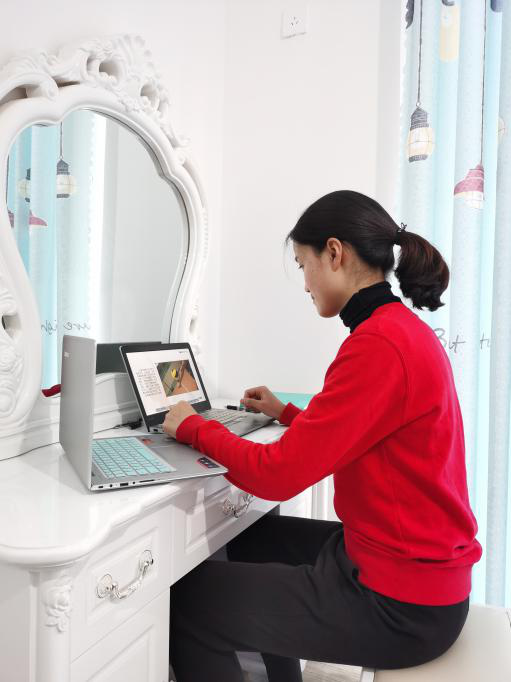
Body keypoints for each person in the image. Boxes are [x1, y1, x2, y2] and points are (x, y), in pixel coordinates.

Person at [163, 190, 482, 682]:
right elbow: (365, 428)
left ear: (334, 253)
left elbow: (276, 476)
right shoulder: (397, 329)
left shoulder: (378, 344)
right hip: (408, 570)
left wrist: (192, 426)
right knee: (253, 537)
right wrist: (287, 413)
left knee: (189, 603)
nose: (305, 284)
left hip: (402, 605)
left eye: (302, 265)